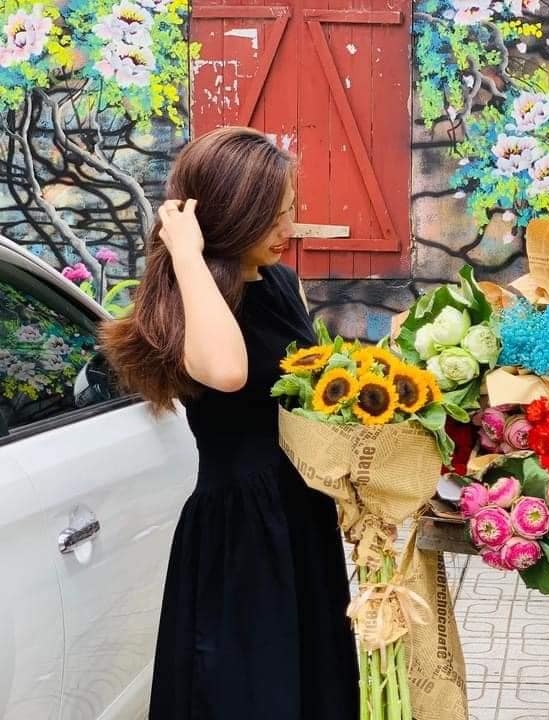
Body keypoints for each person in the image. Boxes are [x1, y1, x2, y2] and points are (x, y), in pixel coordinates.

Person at [100, 126, 359, 719]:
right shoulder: (184, 301)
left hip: (301, 517)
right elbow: (227, 371)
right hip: (240, 535)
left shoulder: (280, 283)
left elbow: (306, 393)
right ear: (233, 216)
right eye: (273, 218)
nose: (287, 231)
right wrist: (187, 254)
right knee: (252, 696)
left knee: (312, 685)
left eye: (290, 213)